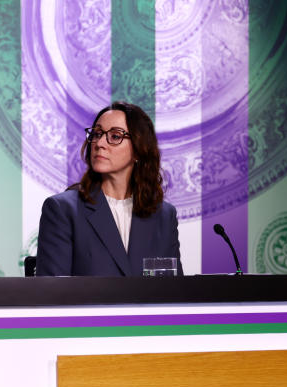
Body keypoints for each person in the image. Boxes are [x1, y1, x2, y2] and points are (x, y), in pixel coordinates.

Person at [35, 101, 181, 277]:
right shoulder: (63, 210)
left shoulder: (164, 216)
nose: (99, 143)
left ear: (138, 150)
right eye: (97, 134)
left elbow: (175, 293)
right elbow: (52, 294)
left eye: (115, 136)